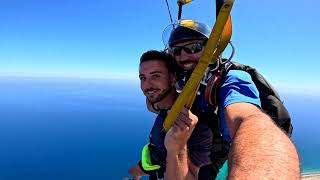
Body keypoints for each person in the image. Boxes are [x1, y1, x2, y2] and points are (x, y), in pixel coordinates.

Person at [163, 19, 300, 179]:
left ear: (212, 50)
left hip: (211, 152)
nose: (184, 56)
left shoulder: (232, 78)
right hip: (190, 141)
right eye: (177, 51)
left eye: (194, 47)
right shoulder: (183, 77)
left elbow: (248, 119)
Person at [128, 50, 215, 179]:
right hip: (155, 163)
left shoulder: (196, 127)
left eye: (155, 76)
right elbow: (151, 104)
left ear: (173, 78)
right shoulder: (161, 104)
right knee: (132, 172)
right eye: (143, 78)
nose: (147, 86)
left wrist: (177, 148)